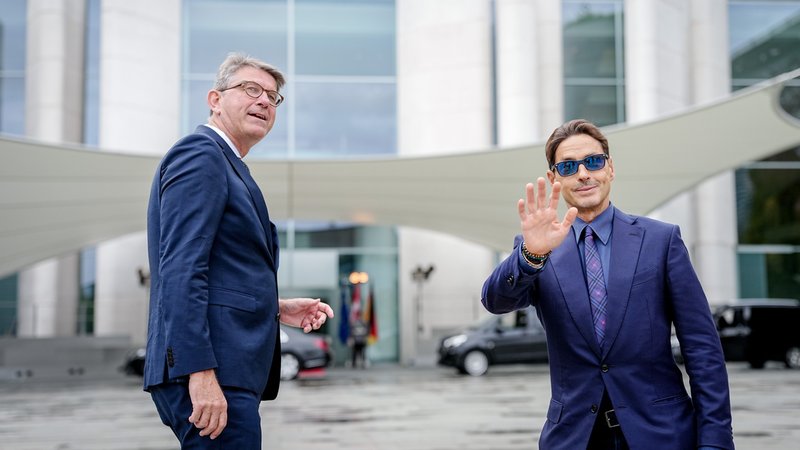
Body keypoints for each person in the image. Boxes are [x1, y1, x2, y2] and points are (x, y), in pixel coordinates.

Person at [481, 119, 734, 449]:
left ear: (610, 168)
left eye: (594, 161)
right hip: (575, 438)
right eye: (569, 166)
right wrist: (530, 254)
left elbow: (702, 349)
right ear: (555, 178)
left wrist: (715, 441)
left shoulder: (660, 240)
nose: (584, 173)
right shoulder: (539, 248)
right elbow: (496, 301)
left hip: (662, 434)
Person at [144, 53, 334, 449]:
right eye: (251, 89)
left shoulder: (228, 164)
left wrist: (275, 307)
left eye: (273, 96)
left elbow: (216, 268)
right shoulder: (201, 154)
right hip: (213, 370)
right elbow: (181, 268)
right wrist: (200, 371)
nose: (265, 100)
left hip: (230, 371)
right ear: (215, 99)